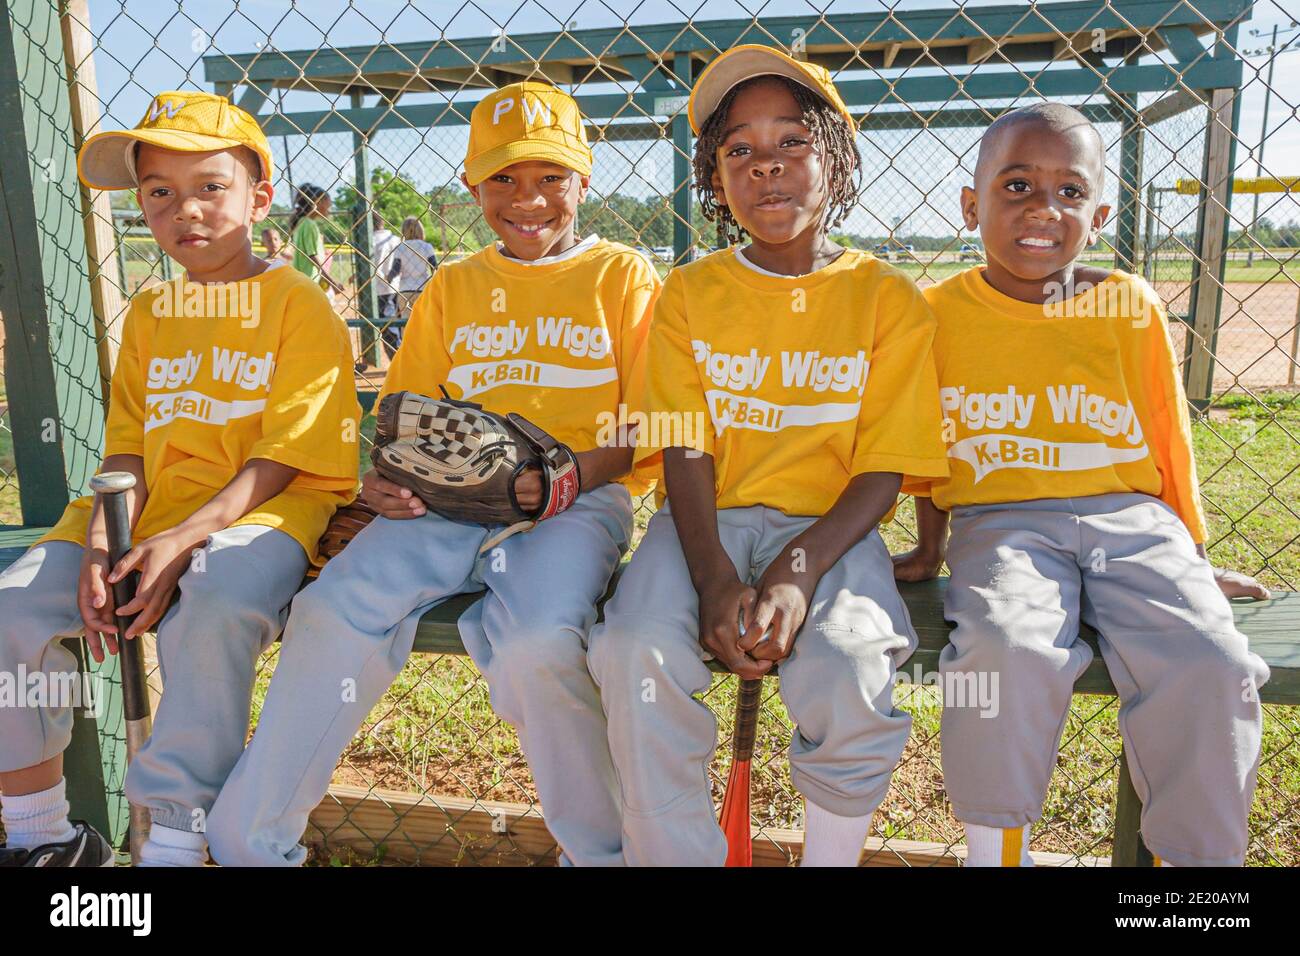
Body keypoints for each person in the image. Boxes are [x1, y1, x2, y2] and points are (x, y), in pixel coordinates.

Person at [205, 80, 660, 867]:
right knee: (331, 610)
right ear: (472, 188)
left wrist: (565, 479)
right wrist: (381, 480)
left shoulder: (622, 277)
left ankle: (604, 854)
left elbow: (646, 427)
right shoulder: (452, 285)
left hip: (572, 503)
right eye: (504, 179)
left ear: (586, 180)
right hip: (443, 499)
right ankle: (249, 844)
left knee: (540, 645)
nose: (529, 199)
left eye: (551, 177)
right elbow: (408, 412)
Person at [585, 45, 950, 866]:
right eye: (739, 151)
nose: (768, 167)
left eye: (793, 142)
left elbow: (884, 467)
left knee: (853, 663)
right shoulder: (688, 295)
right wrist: (715, 577)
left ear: (838, 159)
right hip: (704, 522)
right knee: (627, 649)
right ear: (715, 181)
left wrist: (796, 568)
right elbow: (682, 446)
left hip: (833, 530)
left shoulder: (887, 299)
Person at [891, 102, 1271, 867]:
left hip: (1134, 521)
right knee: (1002, 652)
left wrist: (1191, 555)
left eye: (1070, 193)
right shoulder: (936, 313)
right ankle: (997, 853)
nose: (1043, 210)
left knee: (1212, 663)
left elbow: (1169, 437)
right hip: (1002, 523)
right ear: (972, 205)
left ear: (1098, 215)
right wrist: (929, 552)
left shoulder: (1125, 303)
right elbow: (928, 449)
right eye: (1019, 185)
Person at [0, 91, 360, 867]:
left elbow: (287, 455)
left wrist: (181, 540)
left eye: (209, 188)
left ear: (260, 197)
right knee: (11, 615)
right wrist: (104, 537)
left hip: (260, 511)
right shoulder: (154, 310)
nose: (184, 211)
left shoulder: (297, 302)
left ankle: (174, 838)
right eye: (159, 193)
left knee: (213, 601)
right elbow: (125, 448)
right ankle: (41, 836)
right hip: (146, 511)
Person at [289, 183, 344, 298]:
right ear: (317, 202)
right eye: (328, 206)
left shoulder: (302, 222)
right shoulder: (309, 224)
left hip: (303, 280)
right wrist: (332, 282)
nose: (329, 210)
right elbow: (312, 256)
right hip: (309, 280)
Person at [387, 216, 437, 320]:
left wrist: (389, 277)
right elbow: (434, 268)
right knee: (423, 321)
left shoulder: (401, 247)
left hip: (405, 289)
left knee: (407, 323)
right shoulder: (426, 246)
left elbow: (396, 270)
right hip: (423, 288)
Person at [370, 212, 402, 358]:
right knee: (399, 324)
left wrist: (384, 278)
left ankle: (395, 358)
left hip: (380, 289)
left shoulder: (371, 240)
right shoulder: (396, 239)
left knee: (387, 327)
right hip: (399, 287)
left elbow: (374, 267)